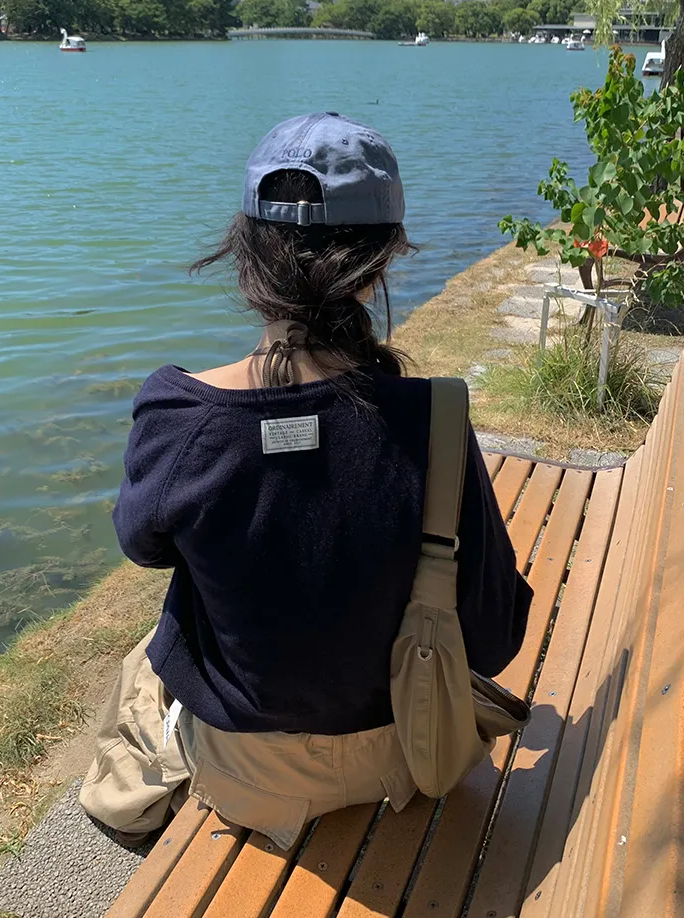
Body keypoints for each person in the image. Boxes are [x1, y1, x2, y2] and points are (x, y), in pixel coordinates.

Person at [102, 112, 532, 849]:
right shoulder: (433, 418)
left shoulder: (180, 414)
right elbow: (493, 637)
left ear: (246, 251)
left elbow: (143, 545)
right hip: (406, 756)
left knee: (150, 656)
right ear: (379, 264)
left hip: (246, 774)